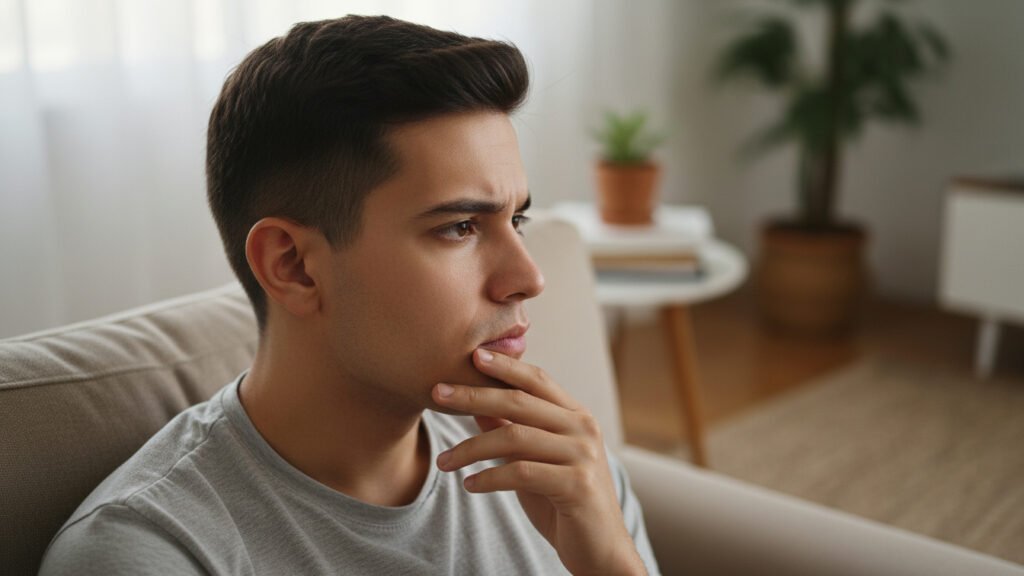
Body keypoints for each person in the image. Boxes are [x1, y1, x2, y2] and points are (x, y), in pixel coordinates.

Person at [39, 15, 659, 575]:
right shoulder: (148, 553)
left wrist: (609, 561)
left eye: (515, 220)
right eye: (459, 227)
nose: (528, 277)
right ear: (294, 268)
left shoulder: (564, 471)